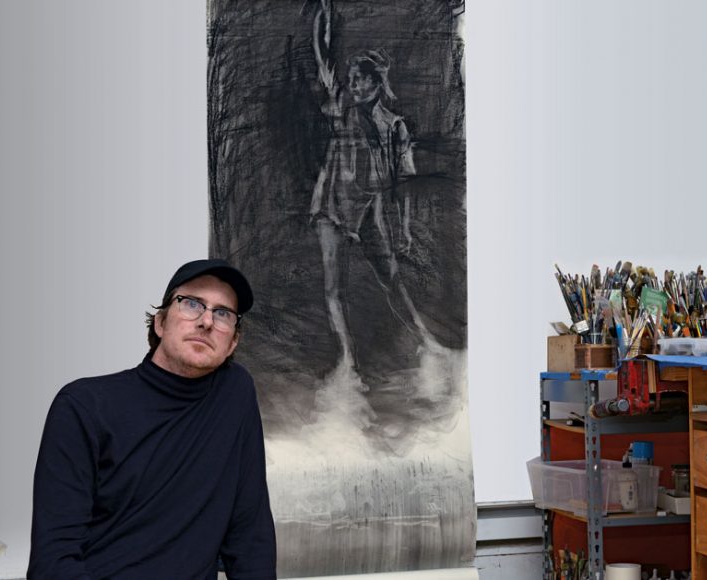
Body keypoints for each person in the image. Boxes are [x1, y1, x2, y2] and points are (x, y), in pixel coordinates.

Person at [27, 259, 277, 580]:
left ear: (233, 343)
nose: (206, 321)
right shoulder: (83, 406)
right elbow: (53, 562)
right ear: (160, 323)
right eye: (191, 304)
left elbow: (250, 532)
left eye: (223, 313)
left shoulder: (235, 393)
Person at [310, 0, 436, 378]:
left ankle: (426, 342)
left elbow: (404, 185)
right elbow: (324, 62)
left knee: (391, 278)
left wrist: (407, 228)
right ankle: (348, 360)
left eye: (364, 79)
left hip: (369, 208)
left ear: (378, 82)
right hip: (332, 204)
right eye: (354, 78)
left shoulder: (395, 126)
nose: (357, 84)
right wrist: (324, 21)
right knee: (335, 287)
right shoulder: (341, 108)